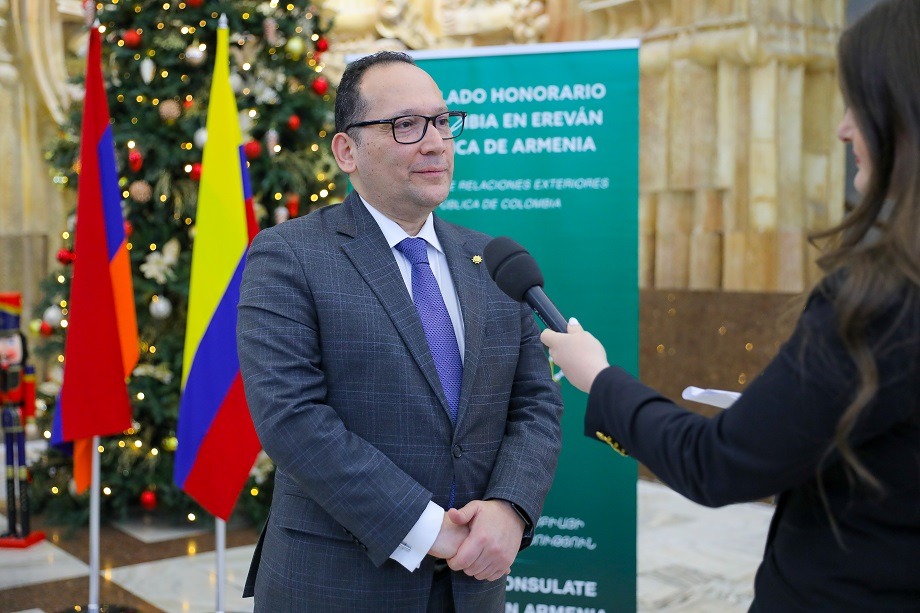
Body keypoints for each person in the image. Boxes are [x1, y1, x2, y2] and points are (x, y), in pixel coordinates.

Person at [541, 1, 920, 610]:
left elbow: (715, 466)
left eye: (856, 104)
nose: (844, 129)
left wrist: (600, 379)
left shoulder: (877, 302)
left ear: (900, 115)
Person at [237, 50, 563, 612]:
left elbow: (535, 404)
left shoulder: (493, 259)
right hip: (338, 582)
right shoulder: (288, 256)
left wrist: (511, 508)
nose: (435, 142)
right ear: (347, 150)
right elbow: (292, 419)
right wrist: (429, 528)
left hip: (472, 584)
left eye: (442, 121)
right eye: (405, 125)